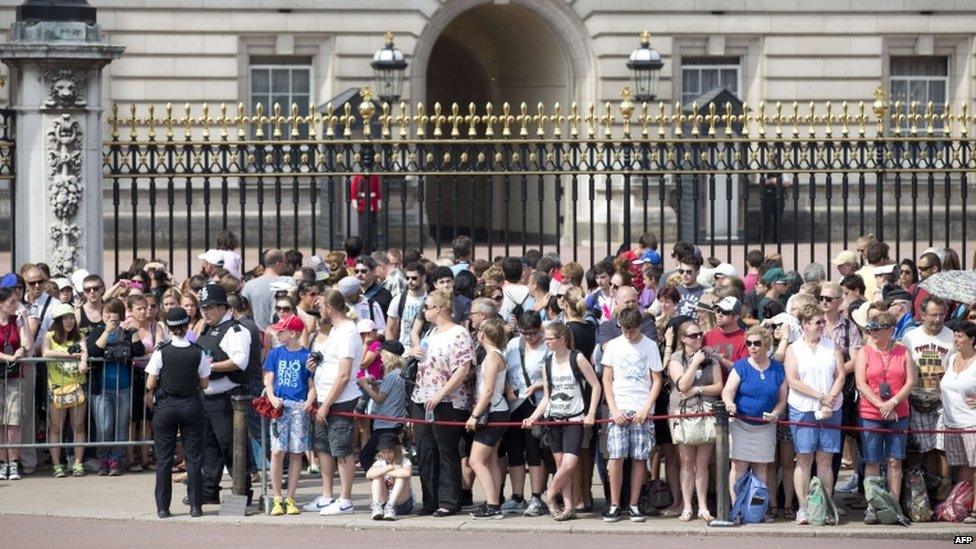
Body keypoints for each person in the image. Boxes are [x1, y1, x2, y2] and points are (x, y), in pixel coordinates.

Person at [523, 321, 601, 521]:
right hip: (553, 419)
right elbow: (547, 397)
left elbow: (596, 385)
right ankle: (568, 506)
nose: (546, 342)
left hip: (574, 418)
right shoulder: (547, 363)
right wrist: (532, 417)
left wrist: (591, 412)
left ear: (561, 339)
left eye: (549, 339)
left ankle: (548, 495)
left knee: (569, 464)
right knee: (560, 465)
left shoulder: (577, 358)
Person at [408, 289, 473, 517]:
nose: (423, 311)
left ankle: (449, 500)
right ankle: (430, 499)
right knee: (425, 451)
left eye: (427, 307)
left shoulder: (459, 333)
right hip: (422, 397)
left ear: (438, 309)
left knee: (447, 451)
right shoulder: (431, 332)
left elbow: (463, 369)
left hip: (447, 401)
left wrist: (440, 394)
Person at [784, 304, 845, 525]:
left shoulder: (833, 346)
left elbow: (840, 375)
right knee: (803, 458)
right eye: (817, 322)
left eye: (822, 322)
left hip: (831, 409)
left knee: (825, 459)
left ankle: (826, 506)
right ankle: (803, 509)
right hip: (802, 408)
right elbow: (793, 380)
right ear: (804, 325)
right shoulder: (793, 349)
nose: (821, 325)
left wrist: (831, 398)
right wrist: (821, 396)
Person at [601, 306, 664, 523]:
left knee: (640, 457)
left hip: (641, 408)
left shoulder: (650, 346)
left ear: (640, 327)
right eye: (626, 331)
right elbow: (607, 380)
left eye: (633, 331)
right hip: (619, 406)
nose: (629, 335)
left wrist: (646, 407)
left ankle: (634, 504)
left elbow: (657, 380)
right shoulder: (614, 346)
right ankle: (615, 505)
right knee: (616, 457)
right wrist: (614, 408)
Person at [145, 308, 210, 519]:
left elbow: (150, 382)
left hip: (166, 406)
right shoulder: (198, 351)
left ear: (169, 326)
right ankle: (195, 507)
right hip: (191, 404)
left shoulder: (161, 351)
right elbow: (205, 383)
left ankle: (163, 508)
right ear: (188, 324)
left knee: (164, 460)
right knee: (194, 459)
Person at [855, 312, 916, 524]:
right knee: (872, 461)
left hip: (898, 411)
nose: (872, 333)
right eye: (870, 329)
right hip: (871, 412)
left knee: (894, 460)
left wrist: (893, 402)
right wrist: (882, 404)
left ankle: (893, 505)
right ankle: (873, 506)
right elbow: (861, 383)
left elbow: (910, 381)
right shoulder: (865, 351)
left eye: (877, 329)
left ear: (890, 330)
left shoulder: (903, 352)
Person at [306, 289, 363, 516]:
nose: (319, 311)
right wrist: (315, 365)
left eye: (320, 306)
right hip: (323, 397)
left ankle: (345, 499)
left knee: (342, 448)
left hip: (340, 400)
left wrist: (327, 404)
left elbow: (344, 374)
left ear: (329, 308)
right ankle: (327, 495)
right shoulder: (335, 331)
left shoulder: (348, 332)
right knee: (323, 447)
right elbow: (330, 363)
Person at [194, 284, 252, 505]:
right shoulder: (207, 329)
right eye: (203, 308)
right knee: (209, 448)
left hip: (228, 400)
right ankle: (209, 492)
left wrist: (209, 368)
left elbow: (239, 362)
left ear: (222, 307)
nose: (205, 312)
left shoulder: (235, 330)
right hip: (207, 398)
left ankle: (240, 497)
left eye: (209, 308)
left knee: (232, 449)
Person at [722, 325, 787, 506]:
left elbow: (783, 399)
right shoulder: (741, 366)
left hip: (765, 426)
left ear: (766, 345)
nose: (752, 347)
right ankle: (737, 507)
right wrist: (729, 403)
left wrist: (775, 413)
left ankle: (758, 509)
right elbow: (728, 389)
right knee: (739, 465)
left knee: (761, 467)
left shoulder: (778, 368)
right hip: (741, 423)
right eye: (749, 343)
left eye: (757, 343)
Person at [667, 320, 722, 522]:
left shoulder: (711, 357)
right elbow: (682, 384)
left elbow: (718, 386)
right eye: (693, 335)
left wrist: (699, 389)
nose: (698, 338)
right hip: (682, 413)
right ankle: (687, 506)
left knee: (703, 463)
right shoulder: (676, 357)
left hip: (705, 411)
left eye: (700, 334)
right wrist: (695, 363)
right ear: (682, 339)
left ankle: (703, 506)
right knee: (687, 462)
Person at [262, 314, 314, 517]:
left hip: (299, 407)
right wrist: (272, 396)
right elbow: (268, 379)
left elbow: (311, 384)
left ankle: (290, 497)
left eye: (281, 330)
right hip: (281, 406)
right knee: (277, 451)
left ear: (292, 333)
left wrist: (310, 401)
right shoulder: (275, 354)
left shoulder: (306, 356)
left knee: (296, 453)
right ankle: (277, 497)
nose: (277, 332)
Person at [87, 298, 146, 476]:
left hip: (124, 387)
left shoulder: (126, 332)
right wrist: (106, 332)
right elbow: (94, 351)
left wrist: (134, 331)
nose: (110, 317)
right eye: (106, 314)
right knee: (104, 426)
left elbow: (139, 351)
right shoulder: (97, 331)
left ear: (120, 316)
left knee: (121, 426)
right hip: (102, 389)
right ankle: (103, 458)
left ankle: (115, 460)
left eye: (113, 315)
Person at [501, 310, 549, 516]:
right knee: (514, 449)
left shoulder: (547, 348)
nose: (529, 337)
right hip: (515, 403)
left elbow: (553, 375)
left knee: (534, 450)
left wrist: (538, 386)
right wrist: (507, 386)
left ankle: (537, 496)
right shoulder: (513, 345)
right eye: (525, 333)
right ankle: (518, 496)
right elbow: (501, 369)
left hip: (536, 403)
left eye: (533, 333)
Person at [901, 296, 953, 481]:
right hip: (916, 399)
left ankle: (944, 491)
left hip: (942, 400)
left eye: (941, 315)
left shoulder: (952, 337)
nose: (938, 319)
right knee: (921, 448)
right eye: (933, 315)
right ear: (922, 315)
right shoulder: (910, 337)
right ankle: (923, 491)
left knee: (942, 448)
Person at [464, 317, 510, 519]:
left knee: (476, 461)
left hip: (493, 412)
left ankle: (493, 505)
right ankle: (494, 502)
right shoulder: (496, 355)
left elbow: (489, 390)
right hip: (496, 411)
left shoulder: (492, 357)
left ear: (484, 334)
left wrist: (474, 415)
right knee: (491, 460)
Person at [41, 303, 89, 478]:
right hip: (57, 388)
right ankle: (57, 465)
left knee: (78, 426)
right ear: (58, 320)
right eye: (65, 318)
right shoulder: (50, 336)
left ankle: (77, 463)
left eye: (71, 317)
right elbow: (45, 353)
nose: (69, 321)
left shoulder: (80, 335)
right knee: (55, 428)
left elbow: (84, 352)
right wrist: (70, 355)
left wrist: (83, 361)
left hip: (77, 386)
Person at [941, 321, 976, 524]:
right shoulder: (951, 358)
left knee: (975, 467)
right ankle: (961, 505)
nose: (956, 339)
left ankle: (975, 510)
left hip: (972, 423)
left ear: (972, 339)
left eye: (960, 336)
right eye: (954, 335)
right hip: (952, 422)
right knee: (962, 466)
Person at [357, 340, 407, 471]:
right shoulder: (398, 374)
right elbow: (385, 395)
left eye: (383, 355)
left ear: (390, 356)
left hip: (387, 424)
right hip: (391, 422)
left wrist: (365, 385)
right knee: (387, 457)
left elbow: (379, 399)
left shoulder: (392, 376)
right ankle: (386, 482)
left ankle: (382, 482)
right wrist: (374, 385)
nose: (381, 358)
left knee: (366, 456)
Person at [0, 286, 28, 480]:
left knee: (14, 423)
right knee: (0, 423)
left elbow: (26, 345)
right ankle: (2, 463)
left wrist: (24, 320)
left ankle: (14, 462)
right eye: (12, 302)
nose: (15, 305)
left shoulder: (15, 321)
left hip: (14, 377)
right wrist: (8, 356)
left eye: (16, 301)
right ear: (1, 304)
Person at [366, 432, 414, 521]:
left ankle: (390, 506)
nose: (387, 455)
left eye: (390, 451)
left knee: (400, 477)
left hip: (402, 503)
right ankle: (377, 505)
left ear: (396, 450)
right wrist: (389, 468)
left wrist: (390, 472)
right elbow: (368, 474)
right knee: (376, 476)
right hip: (385, 499)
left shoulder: (405, 461)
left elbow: (407, 473)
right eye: (384, 452)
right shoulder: (380, 462)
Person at [241, 249, 287, 330]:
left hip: (258, 333)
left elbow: (244, 308)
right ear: (278, 263)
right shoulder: (288, 282)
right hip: (283, 332)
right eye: (284, 262)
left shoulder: (249, 285)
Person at [385, 262, 426, 350]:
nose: (410, 281)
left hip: (424, 350)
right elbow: (389, 329)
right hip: (404, 351)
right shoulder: (398, 299)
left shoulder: (430, 299)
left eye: (414, 278)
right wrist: (393, 351)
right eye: (407, 278)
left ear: (423, 278)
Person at [703, 296, 748, 374]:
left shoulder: (745, 339)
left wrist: (719, 358)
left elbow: (743, 370)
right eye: (718, 310)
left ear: (736, 317)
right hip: (710, 384)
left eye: (725, 312)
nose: (719, 314)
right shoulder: (707, 336)